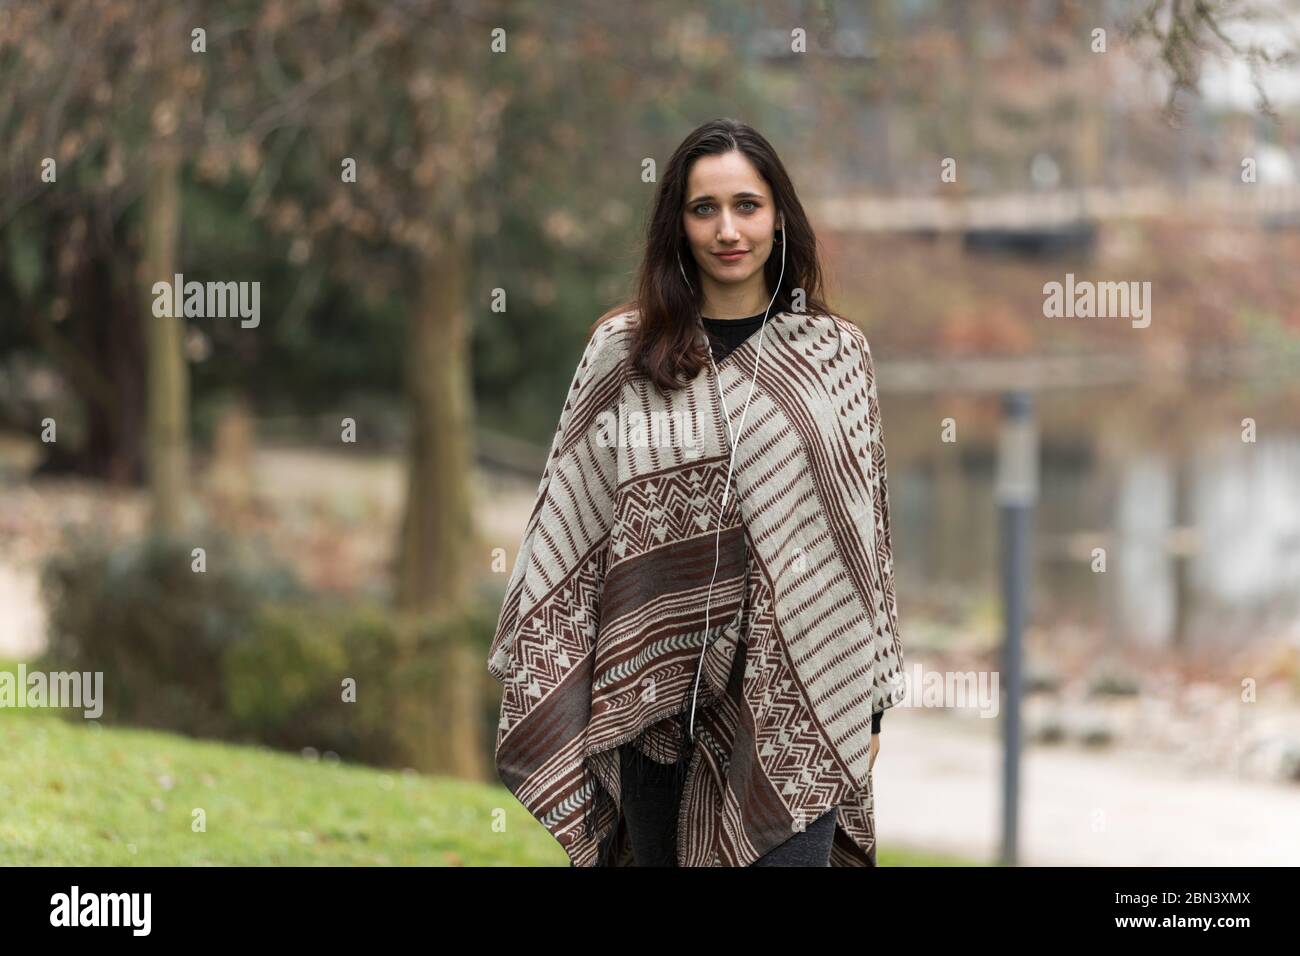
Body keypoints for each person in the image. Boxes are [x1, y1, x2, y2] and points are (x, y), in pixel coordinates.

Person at [488, 118, 905, 867]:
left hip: (796, 701)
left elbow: (865, 541)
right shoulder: (624, 351)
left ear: (779, 217)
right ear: (676, 225)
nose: (727, 229)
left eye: (746, 205)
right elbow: (571, 518)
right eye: (703, 208)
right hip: (652, 698)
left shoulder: (837, 355)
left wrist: (867, 700)